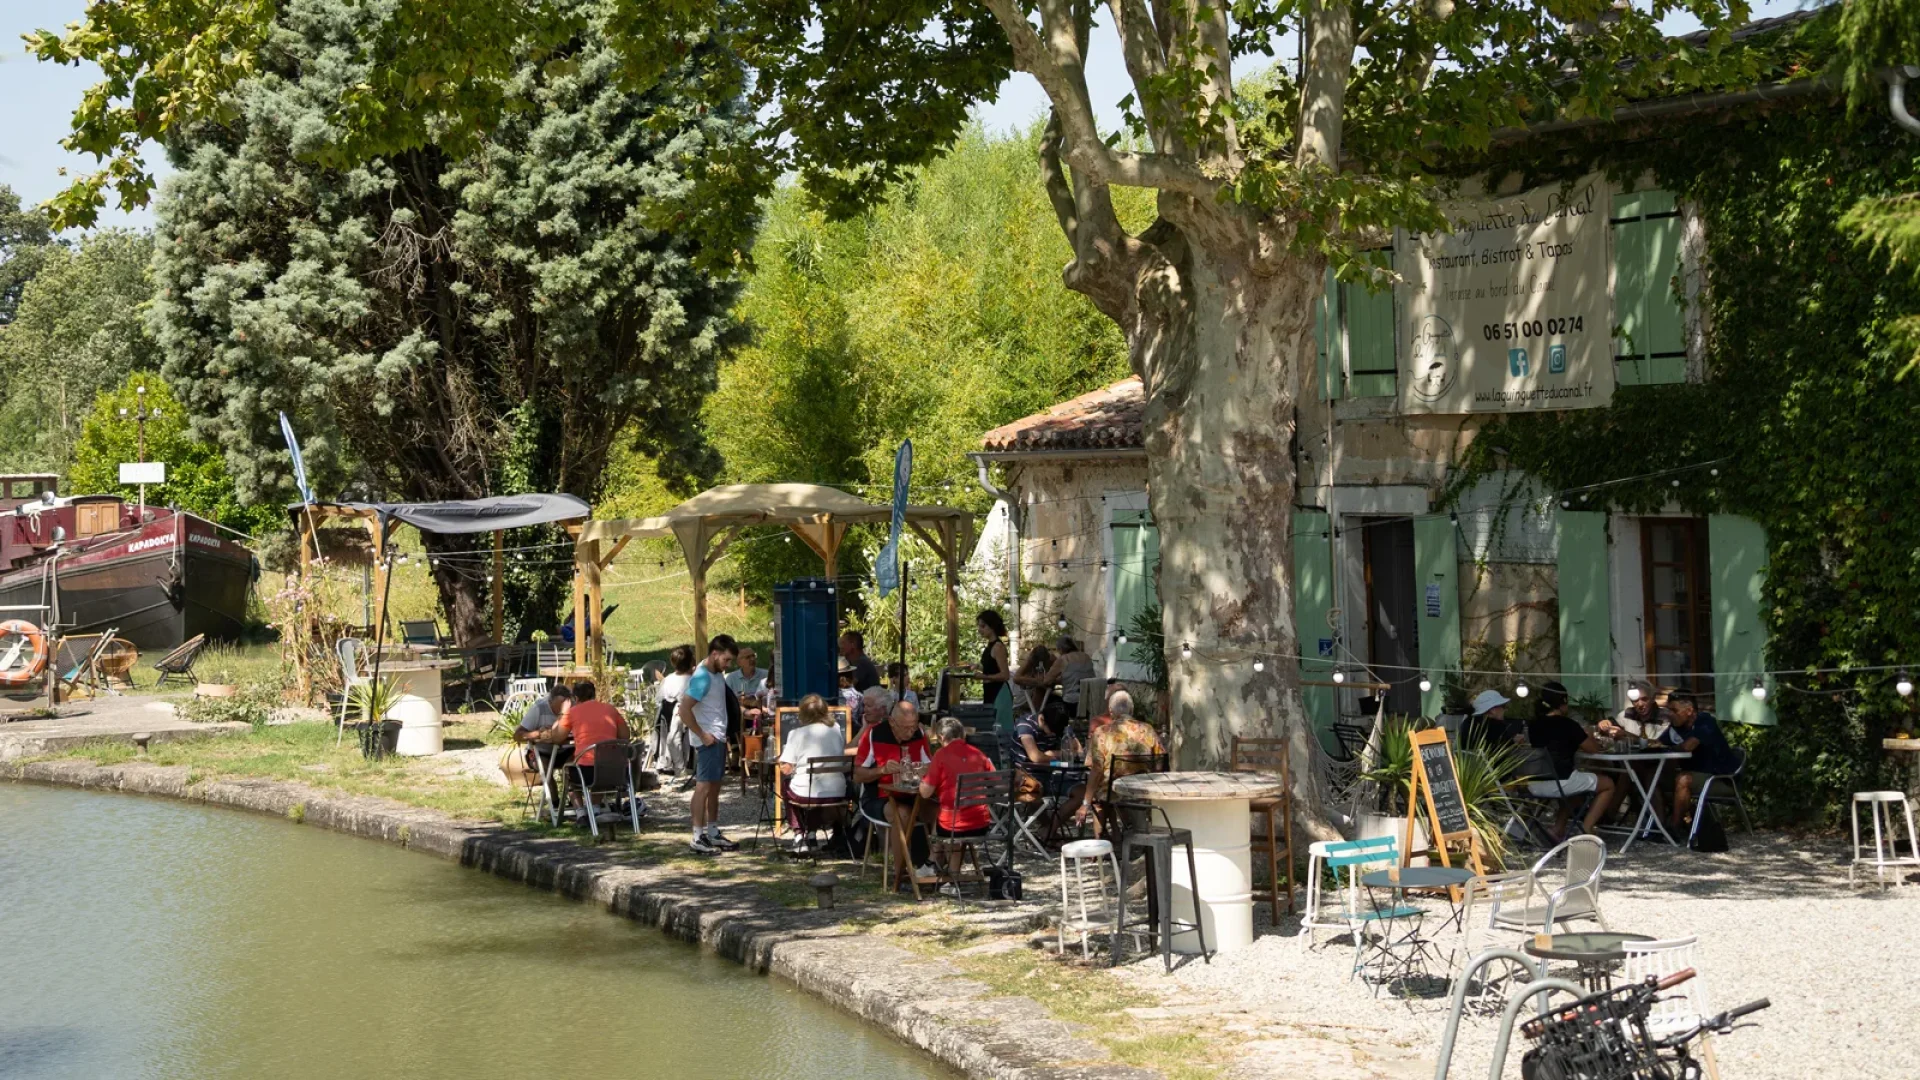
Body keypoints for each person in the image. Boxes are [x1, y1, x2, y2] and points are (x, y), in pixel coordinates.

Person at [1523, 680, 1621, 841]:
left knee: (1577, 790)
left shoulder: (1533, 725)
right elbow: (1593, 749)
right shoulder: (1568, 725)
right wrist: (1588, 733)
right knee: (1608, 784)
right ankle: (1588, 828)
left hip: (1535, 783)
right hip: (1561, 781)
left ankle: (1557, 829)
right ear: (1563, 702)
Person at [853, 699, 935, 885]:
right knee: (902, 814)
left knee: (941, 810)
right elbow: (857, 775)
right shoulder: (874, 735)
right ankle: (902, 874)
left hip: (913, 795)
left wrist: (925, 769)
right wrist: (881, 770)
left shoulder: (919, 734)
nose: (910, 732)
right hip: (878, 797)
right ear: (891, 722)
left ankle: (934, 866)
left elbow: (930, 765)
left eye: (913, 726)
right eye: (905, 727)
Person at [918, 716, 997, 889]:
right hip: (981, 823)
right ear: (962, 735)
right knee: (945, 815)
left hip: (954, 826)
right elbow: (997, 781)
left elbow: (925, 793)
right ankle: (937, 867)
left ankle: (938, 868)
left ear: (940, 738)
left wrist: (923, 778)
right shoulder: (978, 754)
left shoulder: (941, 755)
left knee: (944, 818)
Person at [678, 634, 740, 854]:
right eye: (726, 660)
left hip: (719, 736)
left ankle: (712, 832)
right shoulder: (702, 677)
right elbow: (683, 710)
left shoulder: (715, 673)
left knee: (714, 787)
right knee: (703, 787)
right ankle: (697, 835)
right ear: (715, 654)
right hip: (709, 739)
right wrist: (702, 734)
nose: (728, 665)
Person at [541, 680, 630, 817]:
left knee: (568, 771)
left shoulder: (573, 712)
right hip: (615, 771)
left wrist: (563, 713)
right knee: (600, 766)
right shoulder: (610, 709)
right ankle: (595, 808)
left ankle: (580, 811)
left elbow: (557, 738)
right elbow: (625, 736)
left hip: (587, 773)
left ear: (576, 698)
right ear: (594, 695)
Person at [1078, 690, 1164, 831]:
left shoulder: (1102, 732)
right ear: (1132, 710)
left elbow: (1096, 769)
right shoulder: (1147, 730)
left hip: (1114, 791)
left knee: (1099, 798)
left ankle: (1100, 844)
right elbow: (1160, 761)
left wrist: (1085, 803)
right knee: (1104, 789)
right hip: (1142, 789)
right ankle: (1119, 836)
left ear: (1111, 711)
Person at [778, 693, 848, 845]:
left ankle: (798, 833)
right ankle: (811, 833)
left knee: (788, 786)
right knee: (813, 783)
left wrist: (781, 761)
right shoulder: (835, 729)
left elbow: (786, 769)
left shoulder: (796, 734)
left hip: (808, 794)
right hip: (838, 791)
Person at [1662, 693, 1737, 833]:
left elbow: (1688, 746)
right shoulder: (1676, 727)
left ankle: (1674, 828)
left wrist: (1669, 747)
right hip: (1697, 777)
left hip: (1720, 780)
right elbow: (1657, 744)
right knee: (1652, 777)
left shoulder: (1705, 721)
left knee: (1683, 780)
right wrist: (1626, 735)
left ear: (1689, 711)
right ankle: (1658, 824)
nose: (1670, 715)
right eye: (1668, 711)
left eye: (1674, 711)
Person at [1015, 695, 1085, 825]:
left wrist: (1052, 753)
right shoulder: (1025, 725)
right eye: (1051, 731)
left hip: (1052, 774)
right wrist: (1060, 757)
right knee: (1033, 792)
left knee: (1082, 792)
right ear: (1042, 719)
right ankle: (1049, 831)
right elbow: (1035, 756)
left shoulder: (1060, 725)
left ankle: (1049, 832)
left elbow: (1078, 752)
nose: (1054, 735)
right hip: (1024, 776)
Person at [653, 645, 696, 779]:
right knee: (674, 736)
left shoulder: (669, 679)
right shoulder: (693, 679)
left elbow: (659, 700)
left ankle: (679, 767)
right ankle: (681, 767)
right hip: (681, 712)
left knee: (673, 736)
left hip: (679, 712)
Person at [1599, 678, 1671, 742]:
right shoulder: (1626, 714)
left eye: (1644, 699)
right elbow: (1609, 729)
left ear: (1653, 698)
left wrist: (1627, 735)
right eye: (1635, 700)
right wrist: (1604, 724)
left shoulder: (1665, 716)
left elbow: (1659, 744)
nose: (1640, 704)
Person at [974, 611, 1012, 729]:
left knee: (1000, 728)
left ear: (992, 626)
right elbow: (991, 667)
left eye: (983, 626)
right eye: (979, 626)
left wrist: (984, 677)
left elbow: (1005, 675)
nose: (980, 629)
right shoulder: (990, 645)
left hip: (999, 692)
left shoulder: (998, 647)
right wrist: (976, 666)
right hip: (990, 691)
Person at [1042, 635, 1098, 715]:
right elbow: (1078, 676)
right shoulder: (1086, 656)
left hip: (1073, 704)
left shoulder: (1063, 659)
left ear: (1060, 649)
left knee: (1049, 699)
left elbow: (1046, 681)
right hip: (1090, 703)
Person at [725, 647, 770, 732]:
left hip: (762, 717)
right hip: (739, 718)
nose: (752, 659)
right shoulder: (731, 679)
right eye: (748, 657)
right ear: (739, 662)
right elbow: (728, 702)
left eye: (753, 656)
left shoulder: (765, 675)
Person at [1012, 644, 1056, 719]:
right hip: (1027, 695)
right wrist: (1035, 680)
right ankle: (1035, 716)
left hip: (1045, 691)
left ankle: (1038, 715)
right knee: (1038, 689)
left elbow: (1061, 675)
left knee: (1041, 689)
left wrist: (1048, 679)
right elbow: (1016, 678)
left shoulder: (1052, 660)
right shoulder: (1029, 662)